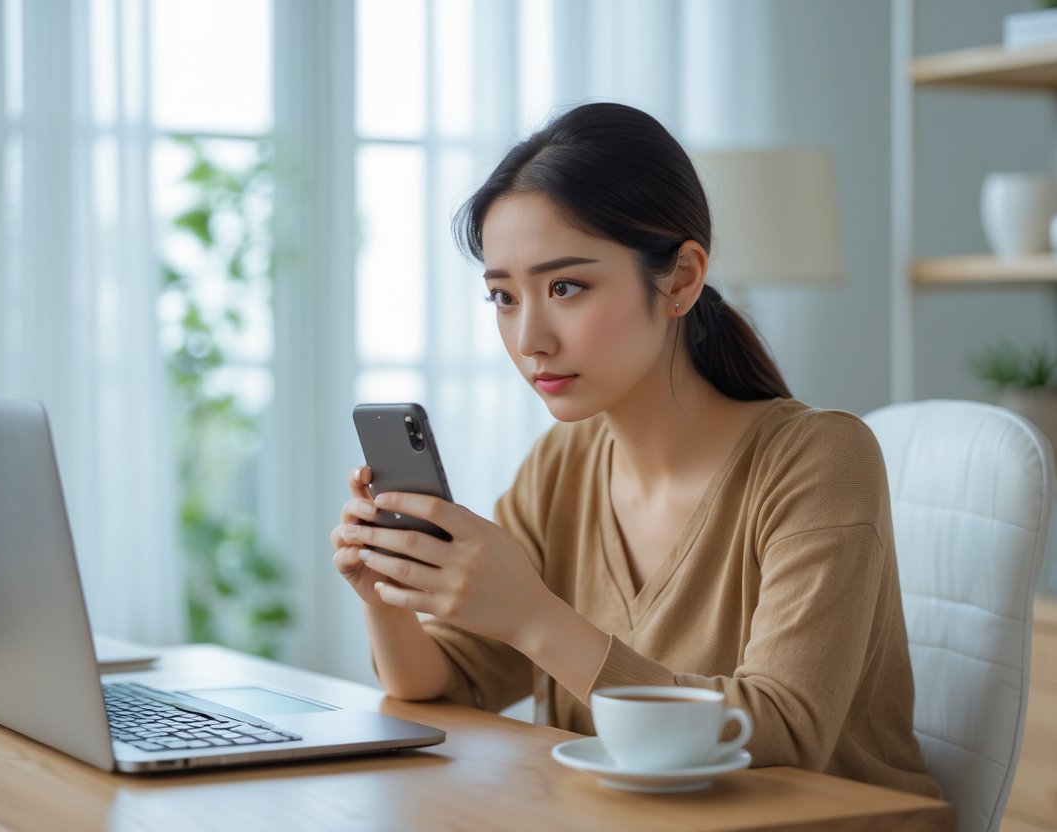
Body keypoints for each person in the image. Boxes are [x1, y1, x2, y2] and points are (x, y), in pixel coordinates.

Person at [329, 102, 939, 797]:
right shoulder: (560, 464)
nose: (529, 338)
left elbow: (785, 733)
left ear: (679, 279)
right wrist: (388, 595)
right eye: (502, 297)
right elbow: (458, 682)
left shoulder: (820, 458)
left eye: (566, 287)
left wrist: (534, 616)